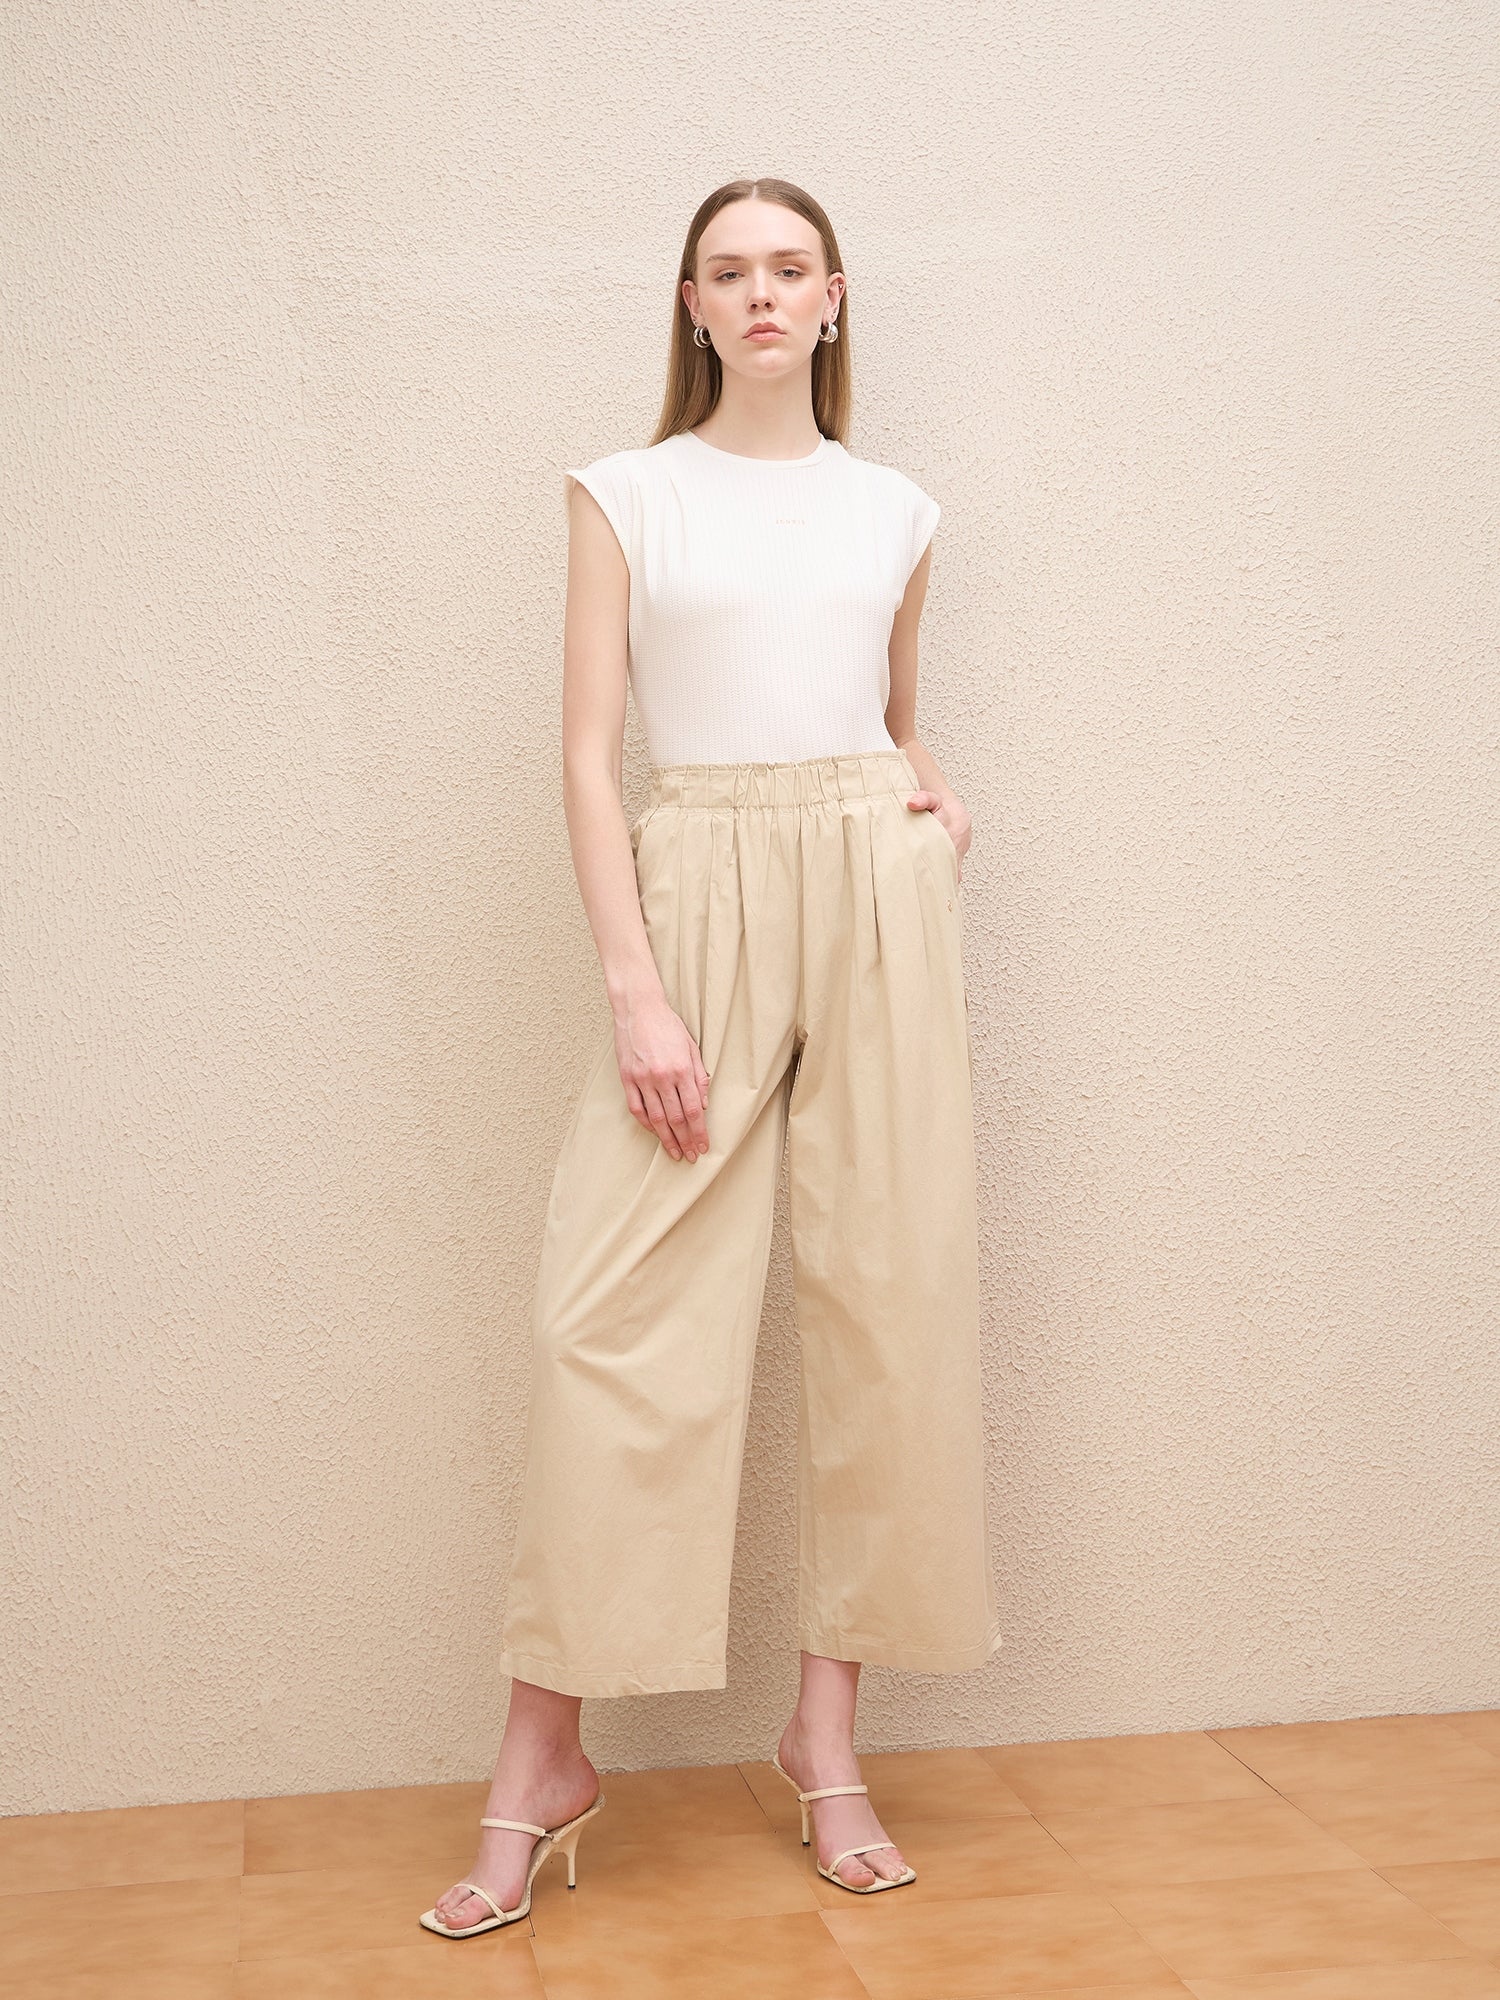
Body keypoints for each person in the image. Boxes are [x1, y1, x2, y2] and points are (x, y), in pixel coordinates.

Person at [421, 175, 1002, 1940]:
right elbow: (590, 754)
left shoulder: (899, 510)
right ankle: (543, 1757)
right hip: (695, 893)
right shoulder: (627, 493)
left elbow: (890, 722)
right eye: (728, 271)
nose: (761, 294)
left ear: (834, 296)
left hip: (875, 894)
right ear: (691, 303)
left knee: (887, 1303)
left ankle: (825, 1737)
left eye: (789, 268)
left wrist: (937, 806)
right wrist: (637, 989)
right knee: (607, 1321)